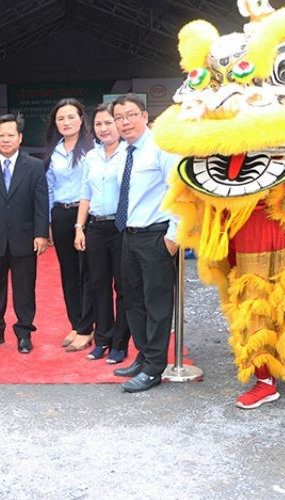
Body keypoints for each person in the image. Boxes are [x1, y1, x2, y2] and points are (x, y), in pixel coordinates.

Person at [110, 94, 179, 393]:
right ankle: (144, 354)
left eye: (130, 115)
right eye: (119, 118)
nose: (124, 122)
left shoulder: (161, 147)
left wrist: (174, 237)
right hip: (129, 235)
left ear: (144, 116)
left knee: (157, 303)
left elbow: (178, 190)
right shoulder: (126, 152)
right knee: (133, 300)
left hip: (156, 236)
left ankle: (153, 368)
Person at [0, 113, 49, 354]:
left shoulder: (34, 166)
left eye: (10, 135)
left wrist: (41, 233)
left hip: (24, 237)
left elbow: (41, 202)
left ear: (20, 137)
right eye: (0, 135)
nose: (5, 140)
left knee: (25, 287)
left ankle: (24, 332)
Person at [73, 103, 131, 365]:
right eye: (98, 124)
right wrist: (79, 227)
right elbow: (85, 194)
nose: (104, 128)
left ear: (119, 124)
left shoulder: (130, 154)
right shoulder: (91, 157)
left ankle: (120, 343)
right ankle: (102, 340)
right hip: (95, 227)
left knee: (123, 287)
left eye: (109, 122)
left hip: (122, 229)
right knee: (98, 285)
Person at [44, 98, 95, 352]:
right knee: (68, 273)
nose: (66, 122)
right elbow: (49, 188)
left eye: (71, 117)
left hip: (85, 215)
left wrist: (81, 223)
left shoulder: (92, 150)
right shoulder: (54, 151)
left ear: (81, 119)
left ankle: (87, 327)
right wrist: (50, 222)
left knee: (87, 272)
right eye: (61, 118)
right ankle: (76, 323)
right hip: (61, 215)